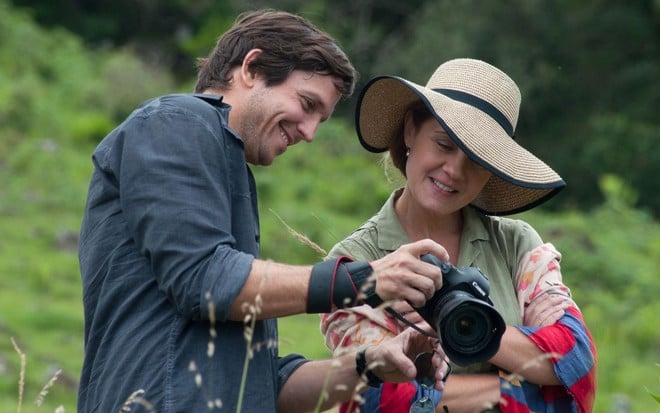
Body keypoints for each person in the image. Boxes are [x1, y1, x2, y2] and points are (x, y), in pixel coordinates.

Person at [77, 9, 452, 413]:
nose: (309, 132)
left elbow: (263, 386)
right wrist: (367, 279)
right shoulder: (176, 122)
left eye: (321, 120)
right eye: (307, 104)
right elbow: (205, 278)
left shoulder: (227, 167)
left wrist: (371, 365)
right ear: (251, 68)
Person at [321, 58, 597, 413]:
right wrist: (517, 382)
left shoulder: (515, 244)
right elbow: (381, 396)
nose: (453, 171)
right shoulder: (355, 262)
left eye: (477, 159)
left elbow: (573, 359)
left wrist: (458, 327)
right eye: (444, 144)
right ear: (410, 131)